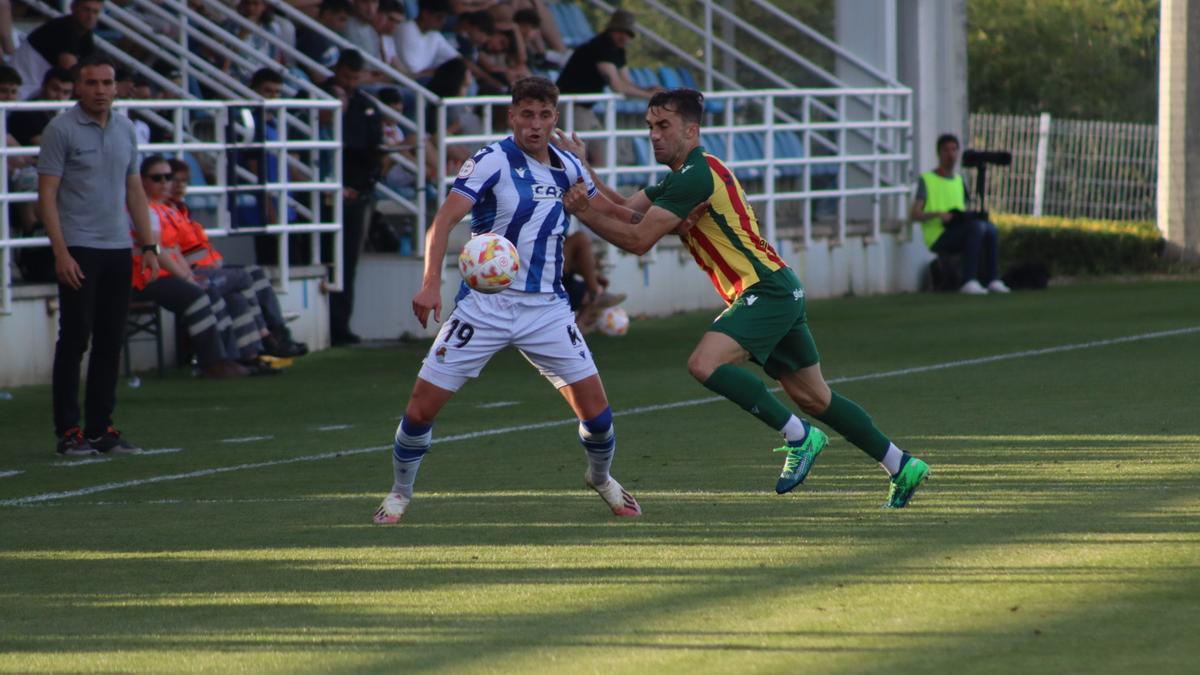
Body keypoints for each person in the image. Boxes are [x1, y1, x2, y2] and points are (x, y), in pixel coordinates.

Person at [559, 88, 931, 509]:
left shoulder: (695, 176)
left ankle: (798, 435)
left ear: (691, 130)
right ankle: (901, 465)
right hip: (777, 286)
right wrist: (582, 167)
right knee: (814, 397)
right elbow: (625, 207)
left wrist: (583, 213)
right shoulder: (685, 176)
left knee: (703, 363)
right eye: (650, 127)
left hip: (763, 290)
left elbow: (639, 238)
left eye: (664, 126)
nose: (654, 135)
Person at [371, 77, 642, 525]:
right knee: (420, 409)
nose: (535, 124)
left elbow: (617, 213)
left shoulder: (569, 166)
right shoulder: (489, 161)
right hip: (483, 308)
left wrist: (672, 218)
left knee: (599, 416)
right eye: (526, 114)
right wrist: (430, 283)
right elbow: (443, 221)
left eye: (544, 115)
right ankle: (400, 493)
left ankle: (602, 478)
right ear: (511, 116)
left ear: (556, 118)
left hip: (547, 309)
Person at [38, 53, 160, 457]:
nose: (101, 91)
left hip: (117, 246)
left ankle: (100, 427)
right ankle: (68, 430)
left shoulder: (126, 129)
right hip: (79, 245)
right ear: (78, 86)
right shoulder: (61, 129)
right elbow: (47, 195)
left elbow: (136, 191)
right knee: (74, 339)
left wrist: (148, 245)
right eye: (92, 83)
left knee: (110, 340)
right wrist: (60, 251)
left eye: (107, 83)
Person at [131, 156, 260, 378]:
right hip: (143, 277)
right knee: (227, 283)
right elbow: (158, 250)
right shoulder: (144, 209)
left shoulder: (168, 210)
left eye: (168, 177)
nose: (166, 183)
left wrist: (188, 275)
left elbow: (172, 250)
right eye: (157, 178)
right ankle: (219, 359)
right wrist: (188, 277)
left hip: (167, 273)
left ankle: (243, 355)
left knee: (220, 290)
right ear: (141, 181)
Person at [166, 158, 309, 358]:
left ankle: (271, 340)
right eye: (174, 180)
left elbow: (197, 249)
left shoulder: (181, 211)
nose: (180, 185)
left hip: (209, 268)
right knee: (243, 277)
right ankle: (266, 337)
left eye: (184, 181)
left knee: (252, 277)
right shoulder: (162, 213)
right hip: (194, 272)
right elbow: (174, 252)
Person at [321, 49, 383, 345]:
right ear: (337, 70)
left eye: (355, 78)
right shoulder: (319, 96)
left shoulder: (366, 105)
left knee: (346, 262)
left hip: (356, 194)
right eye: (346, 76)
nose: (350, 83)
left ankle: (341, 326)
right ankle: (326, 327)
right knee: (324, 259)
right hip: (321, 195)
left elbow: (372, 148)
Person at [555, 9, 659, 165]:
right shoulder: (601, 46)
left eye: (628, 34)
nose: (623, 37)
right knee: (579, 156)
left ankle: (595, 188)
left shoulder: (617, 50)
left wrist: (649, 90)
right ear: (612, 30)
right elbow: (617, 86)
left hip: (584, 108)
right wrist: (649, 95)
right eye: (620, 32)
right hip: (571, 106)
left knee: (601, 155)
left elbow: (627, 82)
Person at [910, 133, 1011, 295]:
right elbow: (915, 214)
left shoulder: (959, 180)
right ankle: (969, 280)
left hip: (957, 229)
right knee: (977, 228)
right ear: (939, 153)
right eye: (946, 150)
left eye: (954, 150)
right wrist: (937, 214)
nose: (951, 155)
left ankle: (993, 279)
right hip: (938, 235)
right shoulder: (927, 179)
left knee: (989, 228)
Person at [12, 0, 101, 100]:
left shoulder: (85, 34)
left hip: (41, 90)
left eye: (95, 12)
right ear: (73, 8)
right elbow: (71, 71)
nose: (90, 16)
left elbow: (92, 68)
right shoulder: (61, 28)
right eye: (86, 10)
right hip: (22, 90)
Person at [296, 0, 351, 80]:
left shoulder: (334, 38)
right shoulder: (312, 36)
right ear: (327, 14)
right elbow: (313, 72)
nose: (344, 25)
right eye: (341, 19)